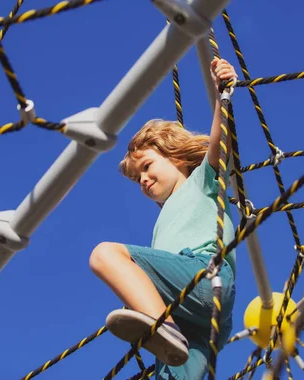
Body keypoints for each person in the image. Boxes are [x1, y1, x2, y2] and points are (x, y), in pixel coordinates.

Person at [89, 58, 238, 380]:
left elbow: (218, 145)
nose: (142, 179)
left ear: (176, 157)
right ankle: (165, 328)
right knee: (172, 374)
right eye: (136, 178)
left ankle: (162, 326)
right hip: (197, 320)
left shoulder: (202, 182)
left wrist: (221, 96)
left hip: (204, 275)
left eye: (147, 166)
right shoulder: (165, 218)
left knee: (106, 254)